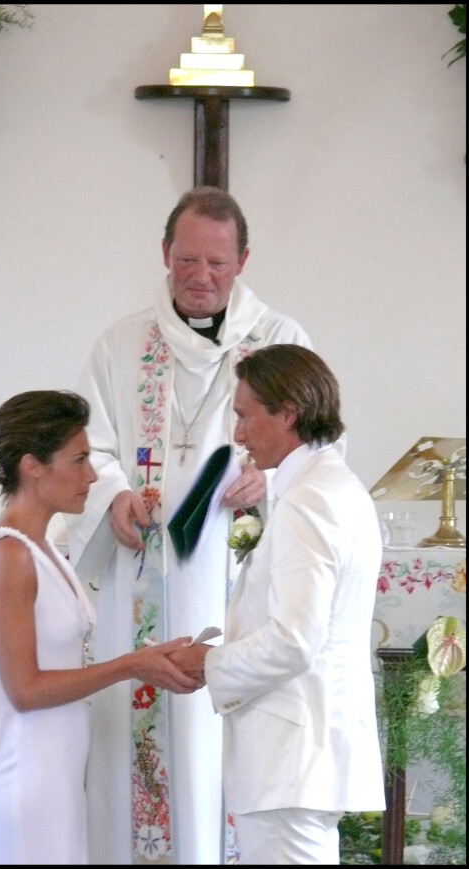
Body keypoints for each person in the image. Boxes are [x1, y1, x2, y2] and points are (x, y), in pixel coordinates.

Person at [65, 187, 316, 865]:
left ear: (243, 260)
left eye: (216, 261)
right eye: (186, 260)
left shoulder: (282, 343)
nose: (200, 276)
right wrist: (113, 494)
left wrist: (275, 478)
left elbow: (322, 453)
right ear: (164, 253)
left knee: (216, 759)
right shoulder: (120, 344)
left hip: (235, 576)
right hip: (140, 575)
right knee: (141, 757)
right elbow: (92, 449)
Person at [0, 390, 201, 866]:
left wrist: (148, 658)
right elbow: (24, 690)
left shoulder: (44, 548)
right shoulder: (8, 554)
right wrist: (132, 665)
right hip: (24, 775)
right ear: (33, 466)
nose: (92, 476)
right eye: (79, 460)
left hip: (55, 771)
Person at [170, 344, 386, 865]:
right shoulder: (329, 485)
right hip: (300, 759)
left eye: (246, 416)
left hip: (290, 761)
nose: (238, 434)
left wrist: (209, 662)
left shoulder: (310, 498)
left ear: (287, 413)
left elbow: (295, 640)